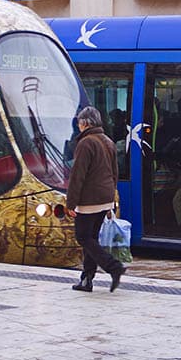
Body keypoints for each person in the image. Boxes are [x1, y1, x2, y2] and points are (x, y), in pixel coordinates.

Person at [65, 106, 126, 292]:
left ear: (84, 123)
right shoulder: (108, 141)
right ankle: (86, 280)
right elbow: (115, 172)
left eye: (79, 122)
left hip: (89, 199)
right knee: (91, 238)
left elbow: (78, 176)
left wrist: (70, 203)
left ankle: (113, 267)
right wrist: (112, 200)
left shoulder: (85, 143)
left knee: (83, 236)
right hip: (105, 197)